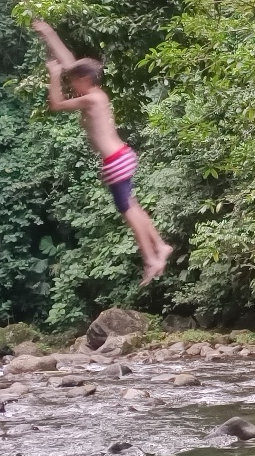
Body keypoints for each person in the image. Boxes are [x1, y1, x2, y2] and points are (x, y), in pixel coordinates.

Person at [34, 19, 173, 283]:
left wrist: (53, 76)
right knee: (132, 205)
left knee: (128, 212)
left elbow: (57, 104)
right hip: (121, 156)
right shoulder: (96, 93)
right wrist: (48, 32)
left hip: (116, 160)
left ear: (85, 79)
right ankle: (161, 246)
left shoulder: (91, 98)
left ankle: (152, 258)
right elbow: (69, 62)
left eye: (74, 81)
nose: (71, 83)